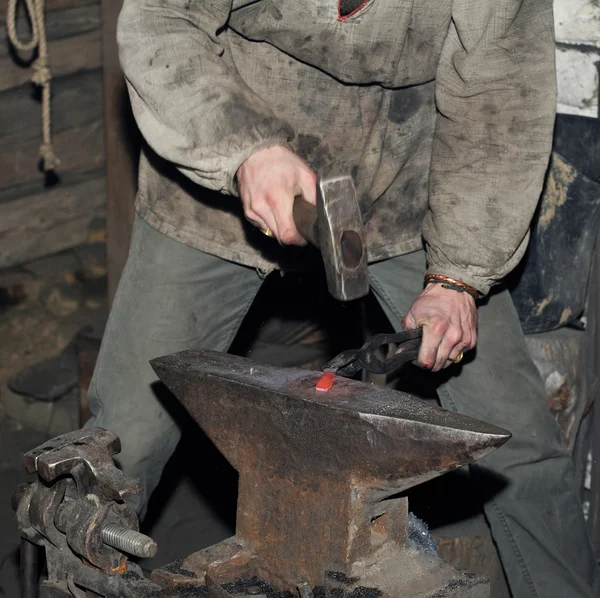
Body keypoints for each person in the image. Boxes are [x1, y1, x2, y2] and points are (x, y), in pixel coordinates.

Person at [87, 0, 599, 596]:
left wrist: (460, 274)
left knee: (523, 450)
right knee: (116, 450)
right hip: (217, 169)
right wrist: (244, 149)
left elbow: (499, 87)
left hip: (405, 181)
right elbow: (161, 21)